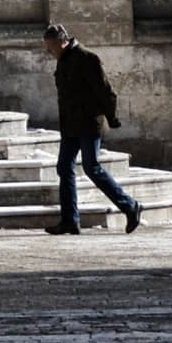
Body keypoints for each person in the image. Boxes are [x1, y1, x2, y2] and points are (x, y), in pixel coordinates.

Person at [42, 24, 142, 235]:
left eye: (51, 47)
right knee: (64, 168)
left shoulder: (87, 58)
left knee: (91, 167)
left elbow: (106, 92)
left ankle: (130, 206)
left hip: (88, 123)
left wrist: (112, 118)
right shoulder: (63, 60)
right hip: (70, 126)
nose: (49, 51)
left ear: (62, 41)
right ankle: (70, 220)